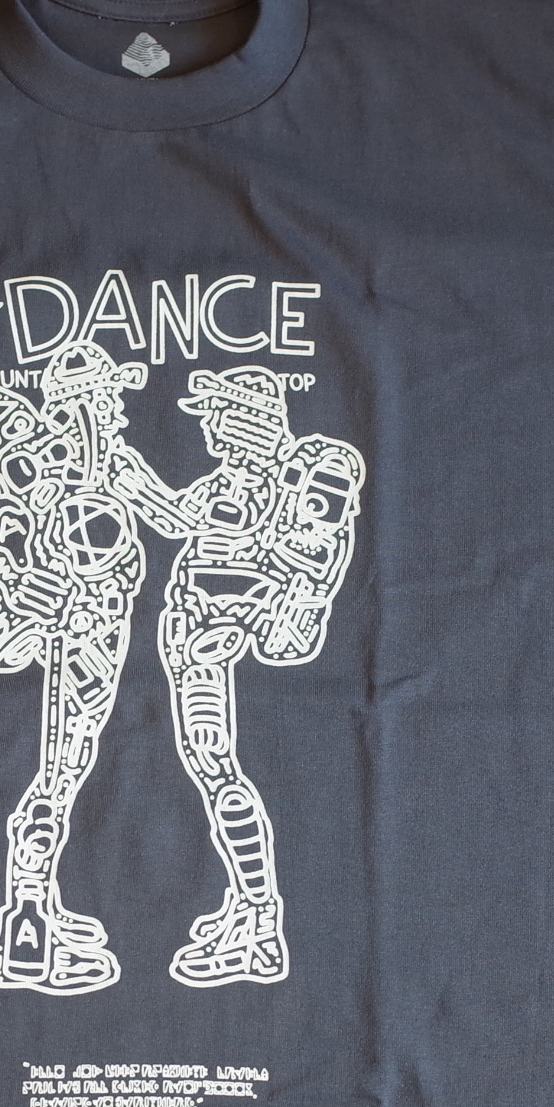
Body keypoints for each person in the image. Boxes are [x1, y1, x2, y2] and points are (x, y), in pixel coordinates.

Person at [0, 339, 156, 993]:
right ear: (79, 403)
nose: (118, 410)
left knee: (70, 767)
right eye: (107, 398)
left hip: (91, 629)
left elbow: (172, 516)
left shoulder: (105, 462)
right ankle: (25, 933)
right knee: (55, 774)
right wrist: (33, 595)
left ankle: (41, 904)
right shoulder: (34, 465)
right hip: (55, 633)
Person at [139, 364, 365, 986]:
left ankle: (260, 920)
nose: (208, 426)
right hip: (196, 637)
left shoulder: (275, 488)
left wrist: (240, 621)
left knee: (216, 763)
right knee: (210, 763)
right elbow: (177, 518)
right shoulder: (232, 482)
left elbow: (294, 572)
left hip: (212, 642)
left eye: (218, 414)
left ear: (246, 422)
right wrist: (125, 474)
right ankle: (249, 906)